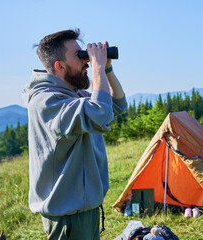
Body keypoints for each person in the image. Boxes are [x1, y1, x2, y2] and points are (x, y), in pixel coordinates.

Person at [22, 29, 127, 239]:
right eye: (79, 56)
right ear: (59, 66)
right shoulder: (48, 101)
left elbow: (117, 104)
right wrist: (97, 66)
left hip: (84, 211)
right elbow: (100, 114)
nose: (86, 61)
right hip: (67, 218)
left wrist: (106, 70)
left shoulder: (74, 95)